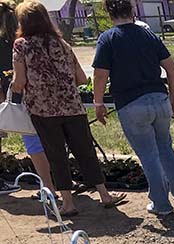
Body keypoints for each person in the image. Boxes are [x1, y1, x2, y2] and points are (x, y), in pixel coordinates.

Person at [11, 1, 126, 216]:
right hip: (73, 106)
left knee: (56, 155)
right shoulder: (62, 43)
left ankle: (68, 203)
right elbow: (81, 78)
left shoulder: (21, 45)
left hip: (43, 110)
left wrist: (19, 86)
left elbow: (19, 81)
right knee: (85, 151)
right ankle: (104, 194)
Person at [93, 0, 174, 216]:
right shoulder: (149, 35)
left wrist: (98, 103)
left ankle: (161, 204)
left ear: (109, 13)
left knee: (149, 155)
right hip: (159, 99)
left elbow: (100, 75)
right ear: (132, 11)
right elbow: (172, 70)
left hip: (131, 103)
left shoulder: (107, 39)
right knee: (166, 149)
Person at [0, 0, 54, 193]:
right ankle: (61, 180)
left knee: (33, 142)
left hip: (22, 100)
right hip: (49, 96)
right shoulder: (39, 39)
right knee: (52, 138)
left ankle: (48, 185)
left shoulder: (14, 45)